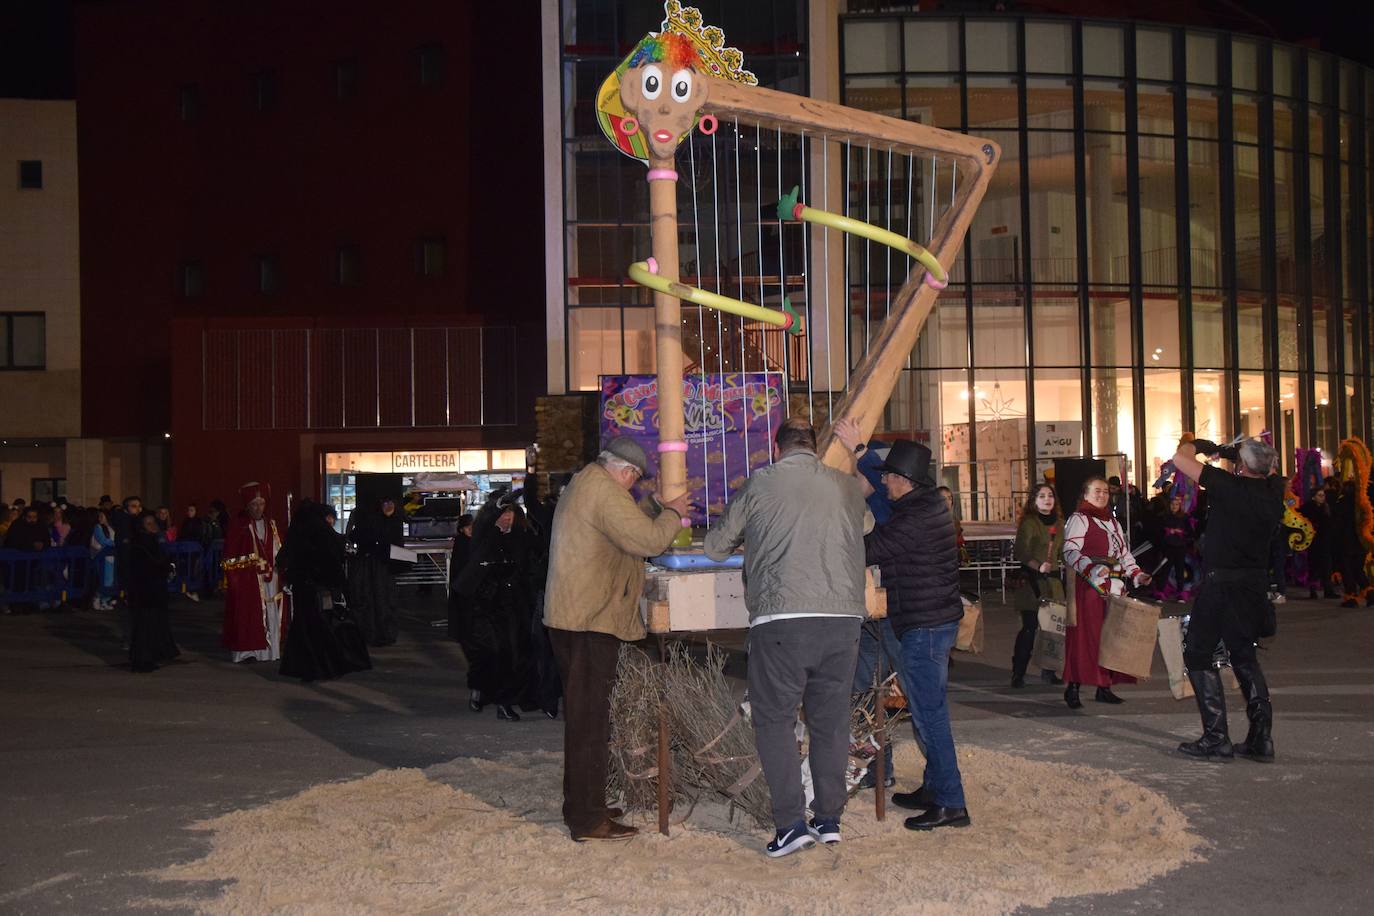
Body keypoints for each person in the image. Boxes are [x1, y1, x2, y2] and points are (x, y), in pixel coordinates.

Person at [707, 418, 869, 855]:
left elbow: (714, 546)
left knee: (775, 721)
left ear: (777, 450)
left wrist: (753, 540)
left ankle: (791, 825)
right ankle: (829, 819)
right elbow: (866, 524)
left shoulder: (761, 483)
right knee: (831, 723)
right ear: (813, 449)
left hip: (782, 620)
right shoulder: (844, 485)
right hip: (843, 619)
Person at [543, 436, 689, 843]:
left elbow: (624, 529)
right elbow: (647, 540)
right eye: (634, 481)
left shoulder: (587, 483)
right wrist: (673, 514)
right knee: (589, 725)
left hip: (575, 619)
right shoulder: (604, 491)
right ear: (625, 472)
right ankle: (587, 821)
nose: (632, 486)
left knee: (586, 721)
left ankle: (583, 805)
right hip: (588, 622)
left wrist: (656, 509)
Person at [836, 420, 969, 832]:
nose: (882, 485)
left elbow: (868, 548)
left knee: (930, 717)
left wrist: (819, 537)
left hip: (925, 628)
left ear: (903, 481)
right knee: (928, 712)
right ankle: (934, 788)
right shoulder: (922, 504)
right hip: (930, 623)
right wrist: (860, 450)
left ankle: (951, 803)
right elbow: (882, 494)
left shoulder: (914, 521)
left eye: (888, 478)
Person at [1170, 437, 1285, 761]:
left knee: (1197, 654)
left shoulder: (1225, 485)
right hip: (1253, 587)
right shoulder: (1275, 492)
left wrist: (1199, 445)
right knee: (1244, 656)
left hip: (1220, 585)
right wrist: (1237, 455)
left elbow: (1180, 460)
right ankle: (1262, 740)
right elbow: (1272, 470)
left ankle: (1216, 738)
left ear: (1241, 466)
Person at [1061, 477, 1151, 709]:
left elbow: (1123, 554)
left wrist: (1137, 574)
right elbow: (1070, 551)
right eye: (1097, 491)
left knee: (1110, 636)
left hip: (1114, 585)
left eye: (1105, 492)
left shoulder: (1112, 522)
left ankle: (1104, 686)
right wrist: (1089, 568)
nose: (1102, 495)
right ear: (1085, 494)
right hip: (1088, 587)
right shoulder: (1079, 519)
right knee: (1084, 638)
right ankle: (1073, 688)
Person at [453, 492, 540, 720]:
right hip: (484, 605)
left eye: (510, 511)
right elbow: (485, 521)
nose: (506, 517)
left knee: (513, 653)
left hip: (512, 605)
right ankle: (484, 692)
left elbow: (529, 567)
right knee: (490, 652)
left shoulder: (521, 535)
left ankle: (503, 699)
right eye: (503, 512)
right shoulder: (484, 534)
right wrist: (497, 506)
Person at [277, 500, 371, 682]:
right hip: (321, 589)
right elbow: (333, 560)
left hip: (302, 588)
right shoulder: (322, 532)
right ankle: (326, 667)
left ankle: (304, 668)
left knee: (303, 628)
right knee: (324, 627)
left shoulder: (297, 530)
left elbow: (284, 558)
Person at [221, 482, 288, 663]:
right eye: (254, 504)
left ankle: (270, 651)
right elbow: (231, 557)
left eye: (262, 504)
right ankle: (247, 652)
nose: (259, 508)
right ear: (247, 506)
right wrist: (253, 566)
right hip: (249, 580)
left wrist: (276, 567)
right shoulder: (239, 526)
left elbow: (277, 549)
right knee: (249, 614)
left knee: (270, 613)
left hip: (270, 578)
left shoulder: (271, 525)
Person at [1010, 483, 1065, 688]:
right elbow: (1021, 552)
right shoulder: (1029, 523)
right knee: (1030, 628)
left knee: (1052, 630)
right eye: (1041, 496)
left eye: (1050, 495)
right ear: (1034, 500)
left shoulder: (1060, 523)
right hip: (1032, 583)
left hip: (1053, 584)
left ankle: (1049, 670)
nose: (1047, 499)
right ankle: (1018, 671)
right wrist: (1038, 565)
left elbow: (1063, 552)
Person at [345, 498, 402, 647]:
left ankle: (370, 633)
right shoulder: (389, 523)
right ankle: (384, 633)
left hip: (367, 565)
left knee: (368, 599)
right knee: (384, 599)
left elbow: (352, 536)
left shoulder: (366, 523)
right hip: (382, 566)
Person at [127, 511, 180, 672]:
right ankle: (144, 659)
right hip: (146, 590)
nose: (153, 526)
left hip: (155, 588)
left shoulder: (153, 541)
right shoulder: (141, 543)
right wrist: (166, 566)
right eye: (148, 523)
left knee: (155, 622)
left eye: (153, 522)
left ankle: (156, 652)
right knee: (145, 625)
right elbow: (150, 564)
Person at [1155, 495, 1198, 600]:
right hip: (1168, 548)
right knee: (1165, 570)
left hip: (1180, 548)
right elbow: (1159, 532)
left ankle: (1180, 593)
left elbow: (1190, 533)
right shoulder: (1164, 516)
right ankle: (1161, 592)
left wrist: (1181, 533)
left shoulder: (1184, 518)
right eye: (1172, 504)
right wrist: (1168, 532)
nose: (1174, 506)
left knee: (1180, 571)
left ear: (1180, 505)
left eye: (1176, 504)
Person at [1298, 488, 1336, 598]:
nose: (1322, 497)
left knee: (1327, 566)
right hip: (1314, 541)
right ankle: (1313, 590)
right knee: (1314, 566)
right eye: (1319, 495)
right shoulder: (1308, 507)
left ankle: (1328, 590)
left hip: (1325, 541)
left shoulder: (1326, 507)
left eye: (1323, 495)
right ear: (1313, 496)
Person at [445, 513, 475, 641]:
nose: (471, 530)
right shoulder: (463, 542)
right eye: (468, 527)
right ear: (462, 528)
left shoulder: (463, 541)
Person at [90, 509, 118, 610]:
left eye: (102, 516)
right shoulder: (98, 527)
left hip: (112, 557)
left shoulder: (112, 527)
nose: (100, 518)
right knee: (104, 578)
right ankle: (98, 598)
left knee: (110, 580)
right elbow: (102, 540)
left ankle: (106, 600)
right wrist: (115, 543)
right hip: (102, 556)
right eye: (99, 516)